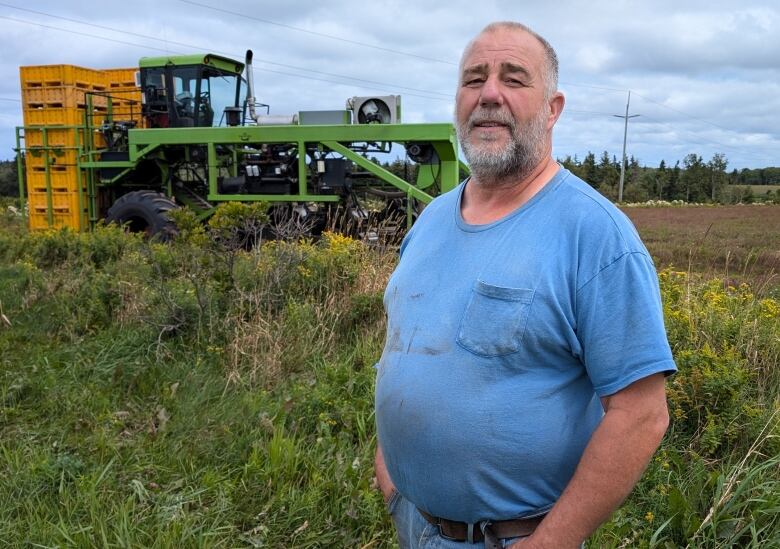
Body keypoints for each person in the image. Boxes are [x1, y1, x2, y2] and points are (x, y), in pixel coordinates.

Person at [374, 21, 676, 549]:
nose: (489, 94)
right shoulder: (431, 220)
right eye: (473, 79)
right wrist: (392, 479)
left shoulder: (594, 235)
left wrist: (550, 543)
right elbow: (404, 347)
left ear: (553, 108)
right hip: (413, 522)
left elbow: (642, 414)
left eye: (513, 79)